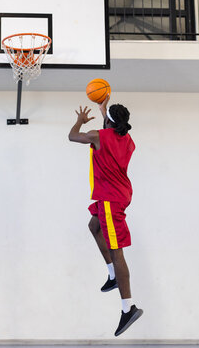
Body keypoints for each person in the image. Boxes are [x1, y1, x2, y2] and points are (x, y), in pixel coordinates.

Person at [68, 95, 143, 336]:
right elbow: (113, 131)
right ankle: (112, 275)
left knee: (116, 251)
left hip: (111, 200)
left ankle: (128, 307)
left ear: (107, 123)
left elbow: (72, 136)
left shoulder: (97, 136)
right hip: (115, 195)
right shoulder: (128, 140)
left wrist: (79, 120)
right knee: (94, 227)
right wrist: (104, 110)